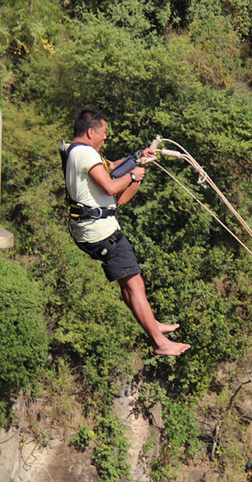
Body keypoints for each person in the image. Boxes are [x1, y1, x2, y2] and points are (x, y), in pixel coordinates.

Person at [64, 108, 190, 356]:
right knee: (135, 285)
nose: (105, 138)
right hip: (101, 233)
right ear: (91, 132)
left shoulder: (76, 152)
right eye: (104, 133)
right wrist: (133, 175)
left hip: (91, 231)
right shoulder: (85, 154)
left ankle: (151, 325)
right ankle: (160, 342)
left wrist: (136, 158)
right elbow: (111, 185)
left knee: (127, 283)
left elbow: (110, 167)